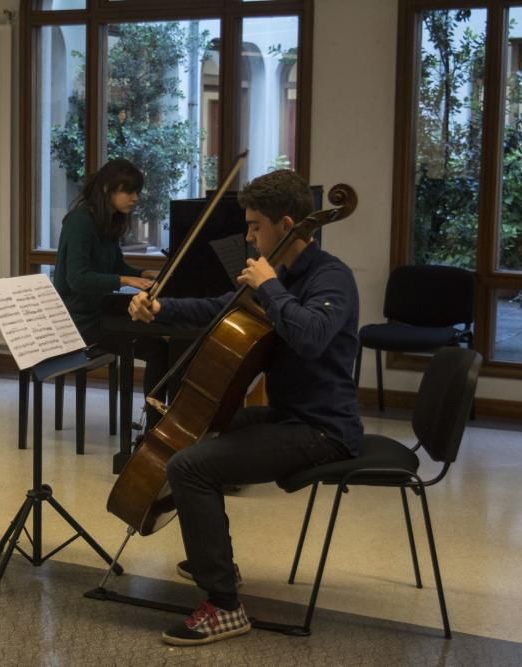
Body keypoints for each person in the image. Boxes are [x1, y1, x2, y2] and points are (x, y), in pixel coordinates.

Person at [128, 169, 363, 646]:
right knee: (204, 427)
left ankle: (224, 607)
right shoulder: (280, 273)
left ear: (287, 224)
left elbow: (312, 337)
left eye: (255, 225)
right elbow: (221, 306)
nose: (249, 235)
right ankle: (216, 559)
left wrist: (271, 286)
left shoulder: (331, 278)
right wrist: (161, 306)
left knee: (190, 467)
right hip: (288, 416)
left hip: (323, 430)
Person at [52, 158, 169, 405]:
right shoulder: (80, 222)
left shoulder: (108, 220)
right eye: (128, 191)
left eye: (137, 191)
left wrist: (143, 273)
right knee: (158, 349)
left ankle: (160, 421)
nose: (135, 198)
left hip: (99, 311)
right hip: (78, 320)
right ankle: (154, 426)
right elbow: (77, 279)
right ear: (107, 189)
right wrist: (125, 279)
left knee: (165, 344)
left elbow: (115, 266)